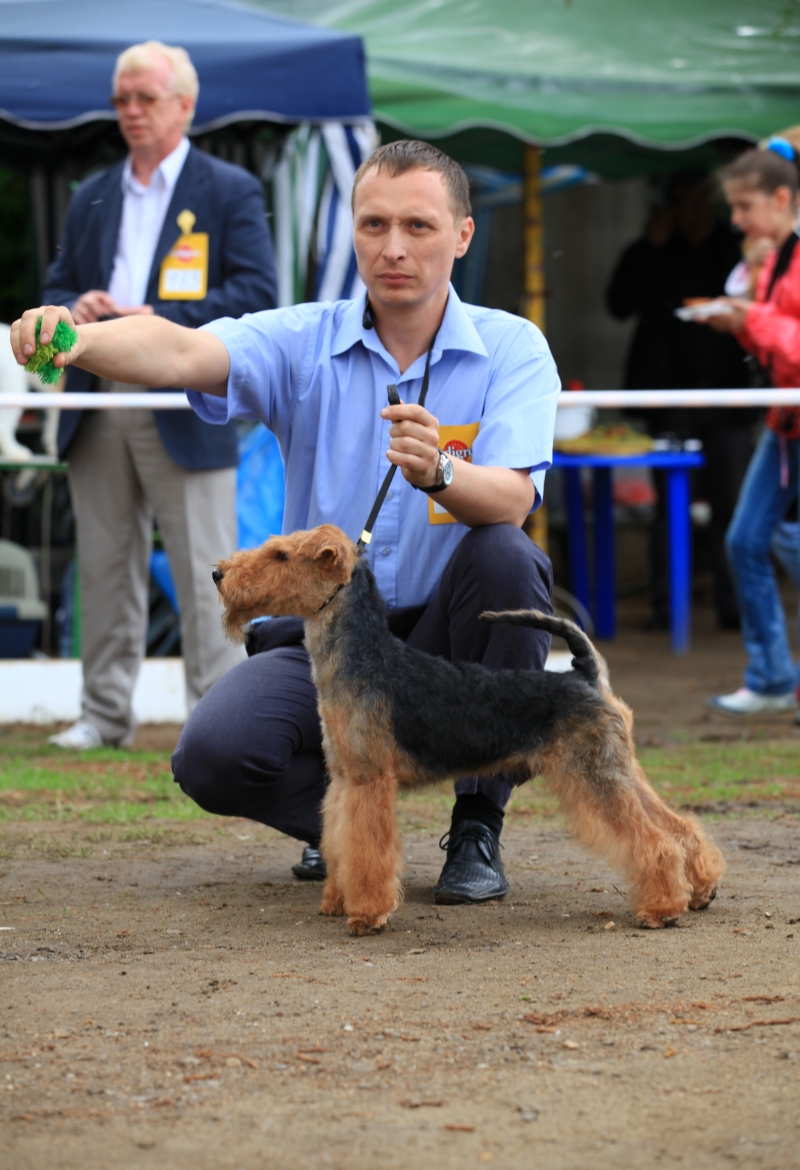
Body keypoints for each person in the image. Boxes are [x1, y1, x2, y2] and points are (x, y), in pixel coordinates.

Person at [12, 140, 559, 904]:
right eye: (372, 225)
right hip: (330, 641)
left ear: (462, 236)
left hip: (446, 634)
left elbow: (513, 500)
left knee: (507, 559)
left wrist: (443, 472)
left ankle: (476, 824)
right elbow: (177, 349)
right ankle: (340, 825)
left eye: (419, 226)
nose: (393, 247)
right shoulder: (301, 339)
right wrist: (74, 338)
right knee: (211, 756)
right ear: (352, 233)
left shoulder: (512, 347)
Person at [42, 40, 277, 749]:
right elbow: (53, 288)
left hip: (184, 390)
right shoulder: (92, 193)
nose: (131, 112)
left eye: (145, 98)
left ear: (185, 104)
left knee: (210, 567)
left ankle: (217, 718)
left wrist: (157, 321)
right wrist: (72, 307)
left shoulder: (229, 188)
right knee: (105, 563)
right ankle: (103, 715)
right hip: (99, 391)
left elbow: (258, 296)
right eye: (121, 100)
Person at [607, 170, 754, 630]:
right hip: (669, 396)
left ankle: (734, 608)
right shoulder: (656, 247)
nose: (690, 213)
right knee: (670, 506)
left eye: (697, 202)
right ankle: (667, 606)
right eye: (680, 203)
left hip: (729, 396)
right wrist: (649, 244)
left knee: (733, 505)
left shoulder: (736, 249)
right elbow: (619, 303)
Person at [701, 144, 800, 718]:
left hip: (786, 420)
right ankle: (770, 676)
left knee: (753, 539)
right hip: (782, 422)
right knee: (744, 540)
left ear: (781, 199)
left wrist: (748, 318)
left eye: (744, 206)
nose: (735, 220)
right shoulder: (775, 256)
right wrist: (740, 321)